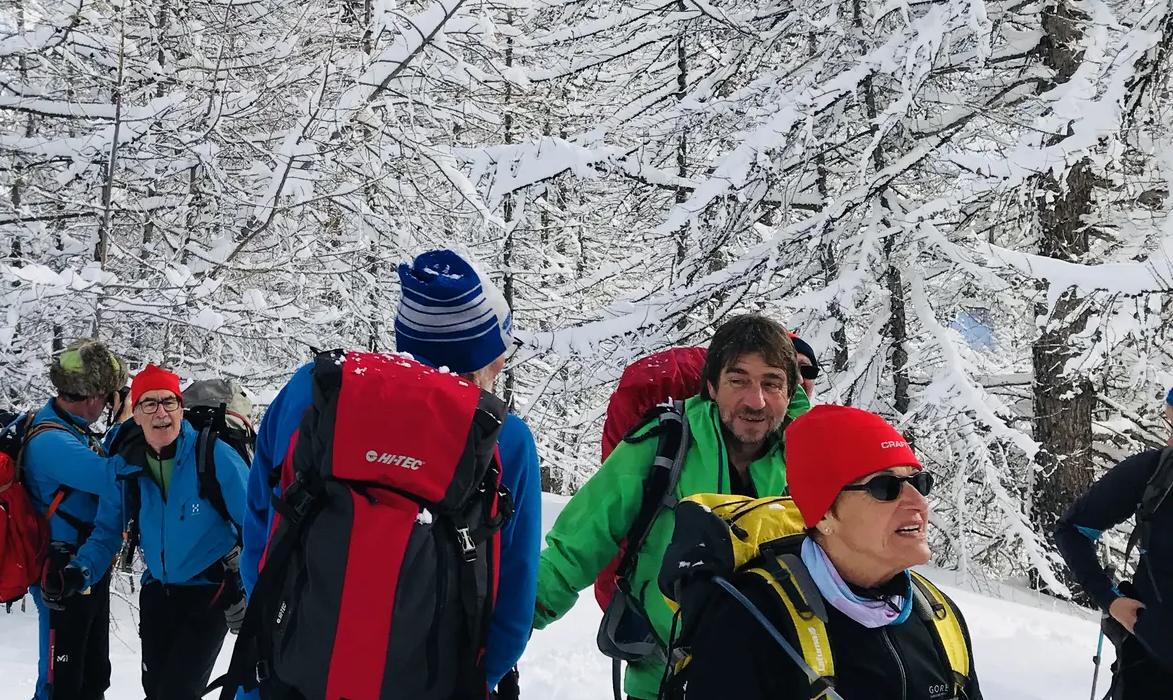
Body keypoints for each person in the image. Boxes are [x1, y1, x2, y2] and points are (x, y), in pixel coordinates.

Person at [239, 249, 541, 699]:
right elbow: (511, 611)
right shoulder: (503, 438)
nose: (501, 368)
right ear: (478, 359)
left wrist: (284, 640)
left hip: (285, 678)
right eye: (499, 356)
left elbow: (261, 541)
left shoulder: (312, 391)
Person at [534, 315, 810, 700]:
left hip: (775, 680)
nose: (755, 400)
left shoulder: (810, 460)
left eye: (771, 383)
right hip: (663, 680)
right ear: (712, 386)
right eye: (739, 380)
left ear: (789, 391)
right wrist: (506, 622)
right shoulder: (664, 445)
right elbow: (578, 544)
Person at [670, 404, 981, 699]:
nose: (918, 501)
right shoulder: (750, 621)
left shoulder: (938, 615)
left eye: (919, 481)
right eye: (885, 487)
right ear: (824, 516)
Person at [111, 364, 250, 700]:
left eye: (169, 402)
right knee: (155, 690)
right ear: (137, 415)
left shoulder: (214, 456)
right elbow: (107, 522)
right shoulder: (130, 462)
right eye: (149, 404)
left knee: (177, 693)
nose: (161, 413)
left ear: (180, 408)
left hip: (209, 593)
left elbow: (259, 527)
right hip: (158, 592)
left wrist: (244, 585)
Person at [23, 340, 129, 700]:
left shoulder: (71, 429)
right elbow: (114, 475)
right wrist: (127, 424)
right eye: (108, 395)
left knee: (92, 679)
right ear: (93, 396)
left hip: (86, 569)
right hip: (60, 576)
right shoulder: (51, 441)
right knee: (61, 685)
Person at [1054, 387, 1173, 697]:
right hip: (1148, 670)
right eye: (1170, 425)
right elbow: (1072, 531)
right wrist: (1110, 599)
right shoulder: (1154, 474)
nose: (1170, 441)